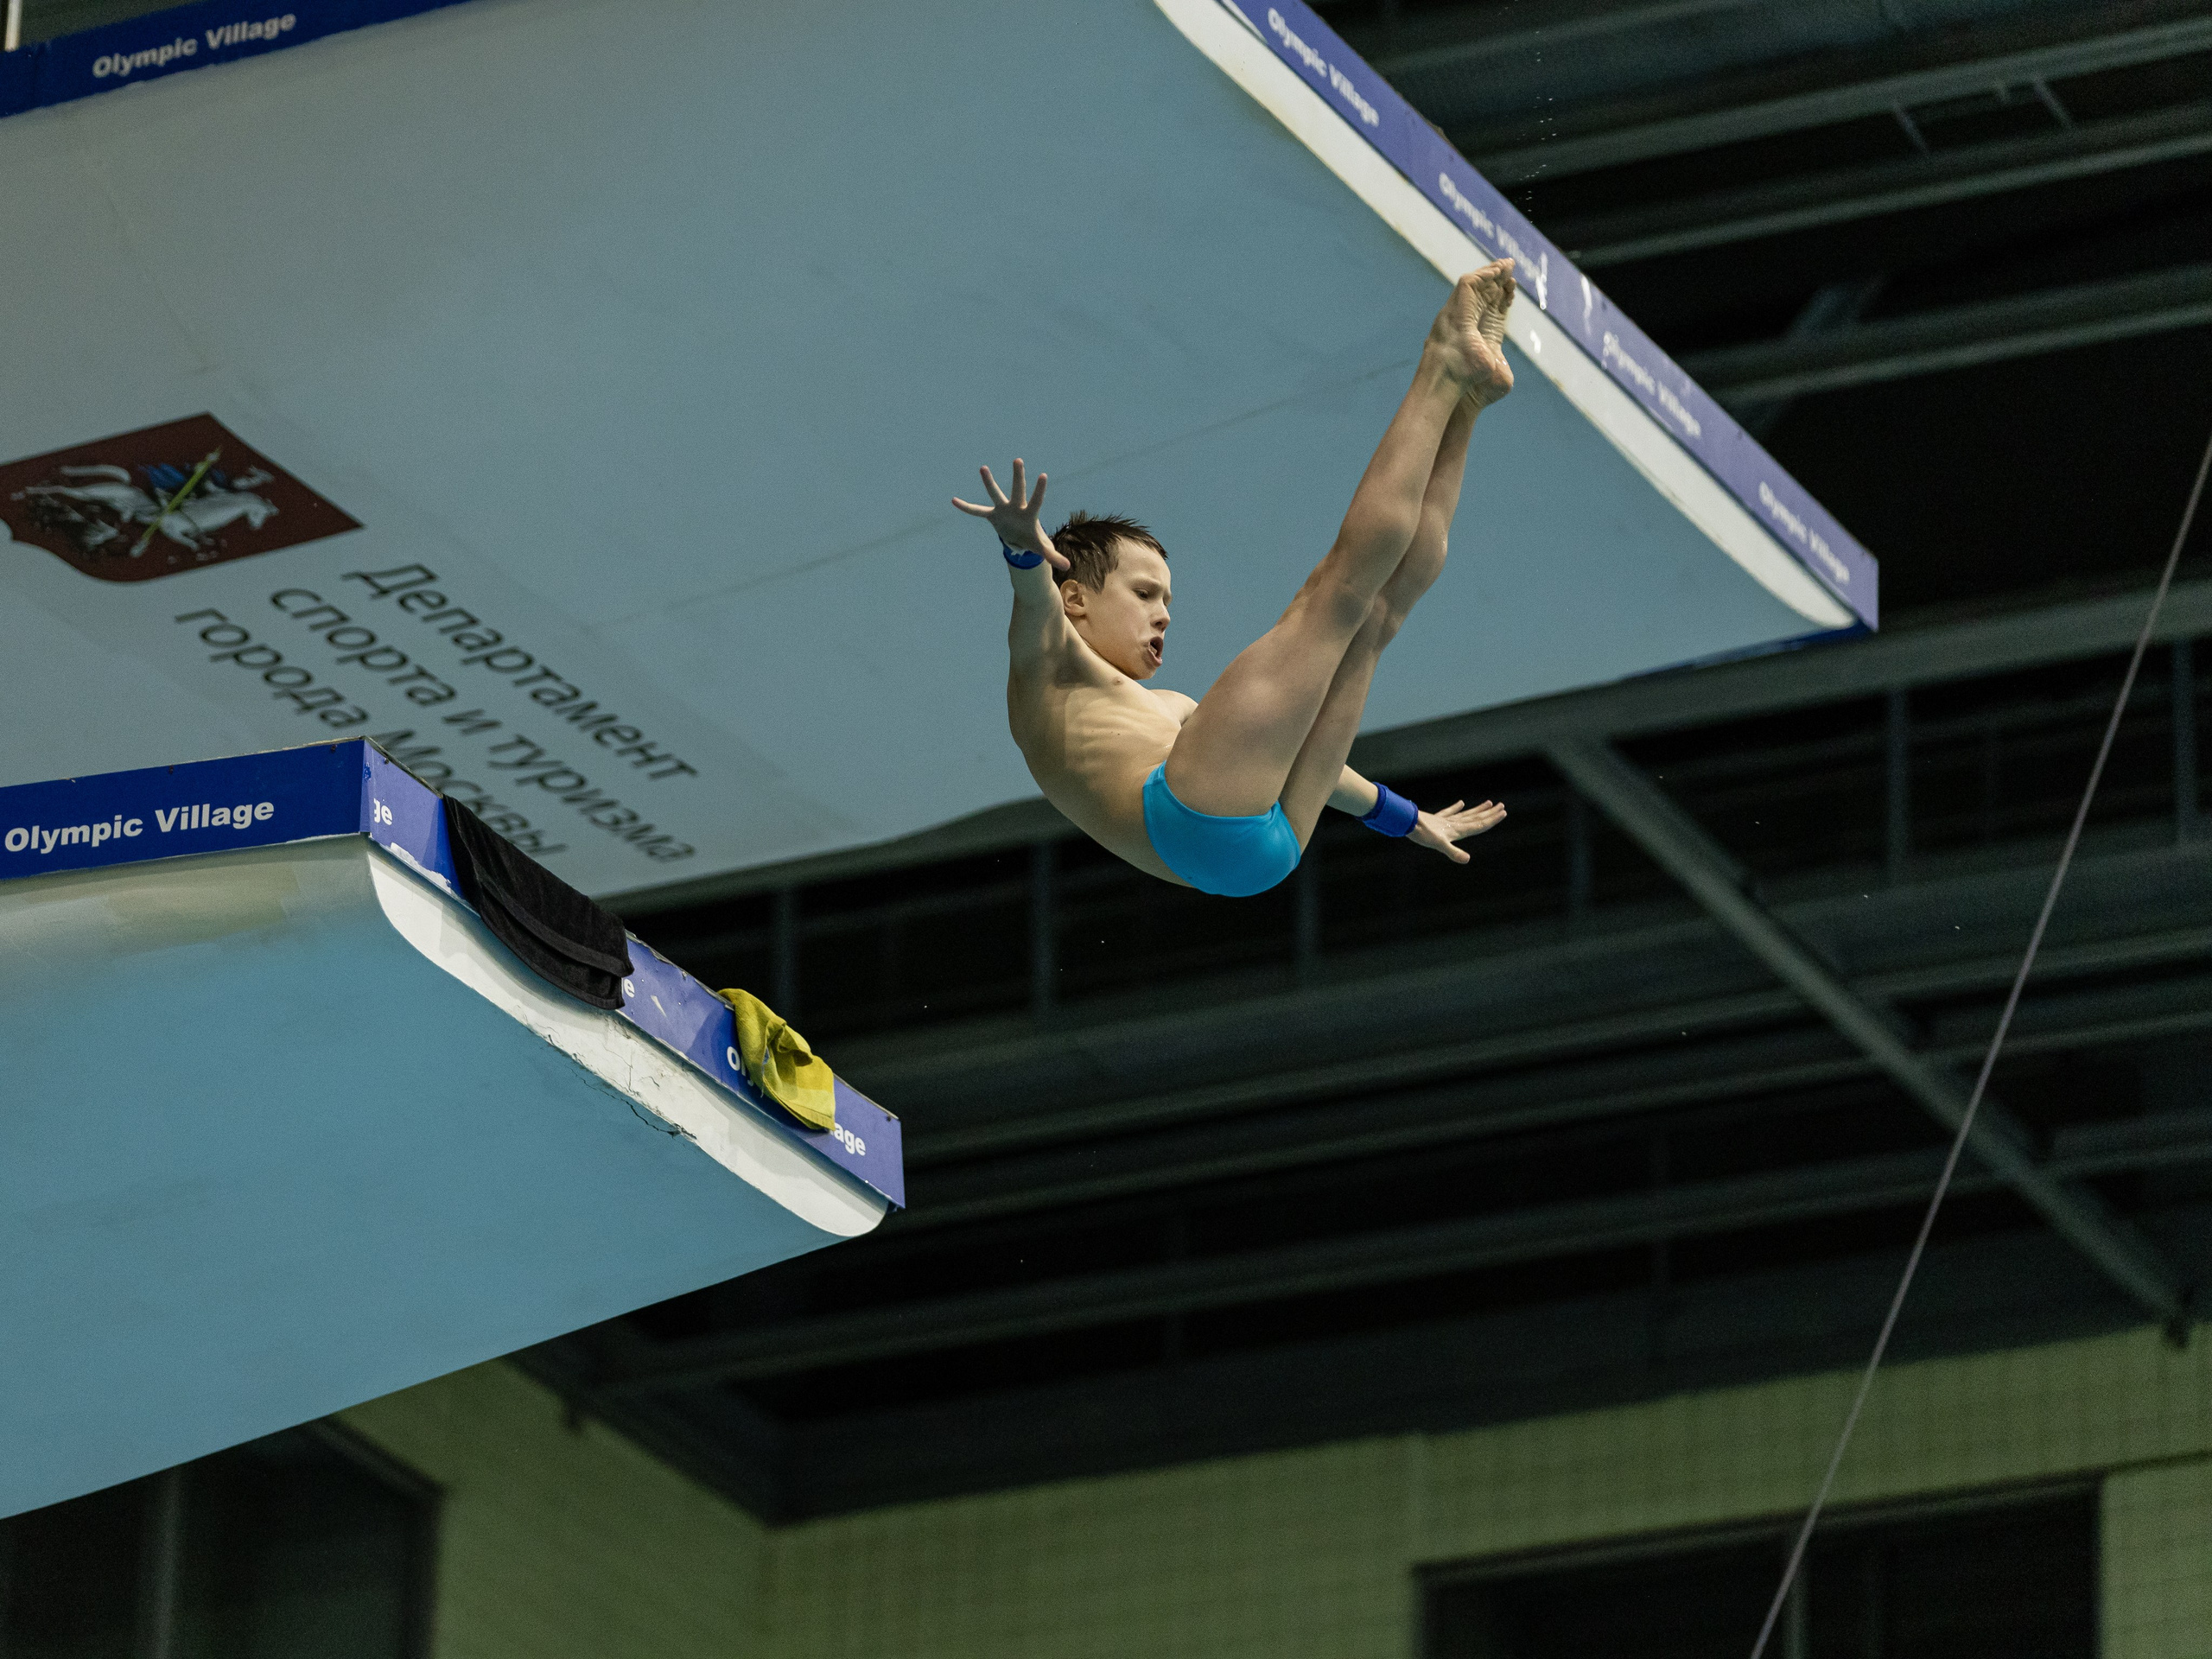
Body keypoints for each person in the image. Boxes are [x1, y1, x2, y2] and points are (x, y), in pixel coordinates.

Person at [953, 260, 1517, 898]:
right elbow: (1033, 603)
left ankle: (1467, 401)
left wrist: (1404, 818)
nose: (1164, 615)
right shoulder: (1047, 669)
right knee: (1336, 592)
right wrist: (1021, 551)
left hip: (1260, 854)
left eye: (1165, 599)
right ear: (1075, 599)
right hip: (1200, 820)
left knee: (1380, 611)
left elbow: (1320, 769)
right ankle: (1443, 361)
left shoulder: (1175, 713)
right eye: (1143, 594)